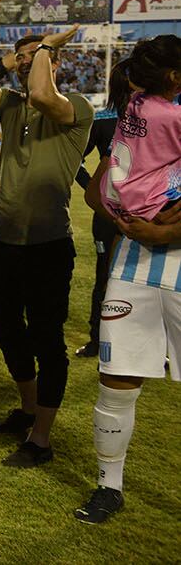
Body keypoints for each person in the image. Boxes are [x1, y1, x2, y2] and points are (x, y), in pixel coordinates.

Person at [0, 0, 92, 468]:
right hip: (2, 242)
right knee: (3, 327)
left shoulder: (75, 108)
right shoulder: (10, 106)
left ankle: (41, 437)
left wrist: (47, 48)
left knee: (47, 339)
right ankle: (28, 408)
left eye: (40, 57)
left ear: (54, 63)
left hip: (48, 246)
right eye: (25, 57)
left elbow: (40, 92)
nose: (29, 63)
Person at [76, 59, 181, 524]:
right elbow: (96, 195)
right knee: (116, 381)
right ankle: (108, 487)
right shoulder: (135, 120)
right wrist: (126, 203)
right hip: (132, 261)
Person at [73, 61, 132, 359]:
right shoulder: (106, 120)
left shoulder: (161, 118)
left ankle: (144, 339)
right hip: (109, 215)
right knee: (105, 275)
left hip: (147, 213)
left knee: (142, 278)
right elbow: (75, 161)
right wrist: (93, 191)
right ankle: (98, 339)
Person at [99, 35, 181, 221]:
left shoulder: (131, 102)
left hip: (116, 198)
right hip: (152, 203)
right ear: (174, 76)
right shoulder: (174, 116)